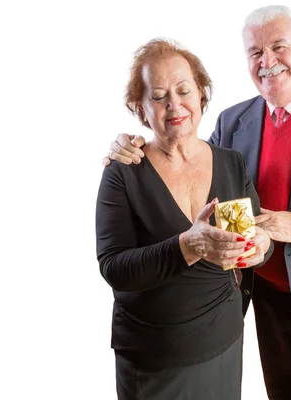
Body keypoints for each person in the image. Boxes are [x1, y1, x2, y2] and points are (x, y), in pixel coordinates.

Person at [103, 5, 291, 399]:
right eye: (256, 52)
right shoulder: (233, 120)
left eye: (279, 47)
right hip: (263, 299)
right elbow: (184, 153)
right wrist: (124, 145)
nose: (268, 61)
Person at [95, 38, 274, 400]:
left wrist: (262, 245)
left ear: (201, 96)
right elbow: (114, 267)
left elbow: (257, 234)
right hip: (155, 355)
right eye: (158, 95)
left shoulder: (231, 162)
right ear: (140, 108)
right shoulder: (123, 172)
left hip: (224, 341)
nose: (174, 104)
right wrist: (185, 246)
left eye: (183, 90)